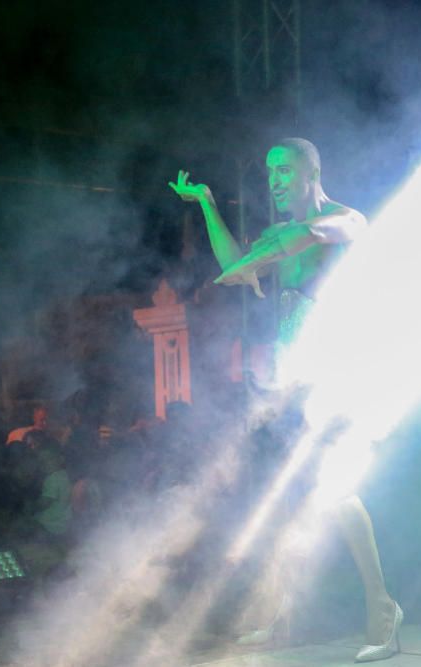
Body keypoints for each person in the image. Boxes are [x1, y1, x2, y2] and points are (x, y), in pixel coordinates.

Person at [170, 138, 402, 662]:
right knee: (290, 492)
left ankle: (383, 608)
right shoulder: (280, 231)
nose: (273, 180)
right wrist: (208, 203)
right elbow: (237, 263)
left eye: (283, 169)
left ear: (311, 170)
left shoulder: (348, 219)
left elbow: (309, 235)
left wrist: (258, 256)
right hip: (292, 371)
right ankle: (287, 614)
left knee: (336, 490)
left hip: (340, 366)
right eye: (269, 171)